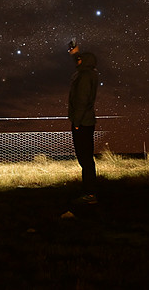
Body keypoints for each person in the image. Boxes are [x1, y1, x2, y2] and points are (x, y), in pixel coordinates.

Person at [67, 39, 99, 204]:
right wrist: (75, 53)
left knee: (85, 158)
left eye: (80, 60)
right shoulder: (88, 72)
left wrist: (77, 123)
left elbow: (82, 101)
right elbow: (82, 61)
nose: (77, 62)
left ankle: (90, 193)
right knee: (85, 158)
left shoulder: (85, 77)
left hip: (83, 123)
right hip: (85, 121)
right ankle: (89, 190)